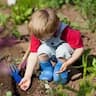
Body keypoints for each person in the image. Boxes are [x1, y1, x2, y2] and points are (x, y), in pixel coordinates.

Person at [18, 8, 84, 91]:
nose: (40, 39)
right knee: (41, 49)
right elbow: (33, 53)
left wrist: (68, 62)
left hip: (66, 55)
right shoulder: (38, 32)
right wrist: (27, 76)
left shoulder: (67, 32)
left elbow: (79, 48)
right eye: (39, 37)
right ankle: (47, 70)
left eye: (43, 37)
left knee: (62, 51)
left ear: (55, 29)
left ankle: (61, 70)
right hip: (53, 52)